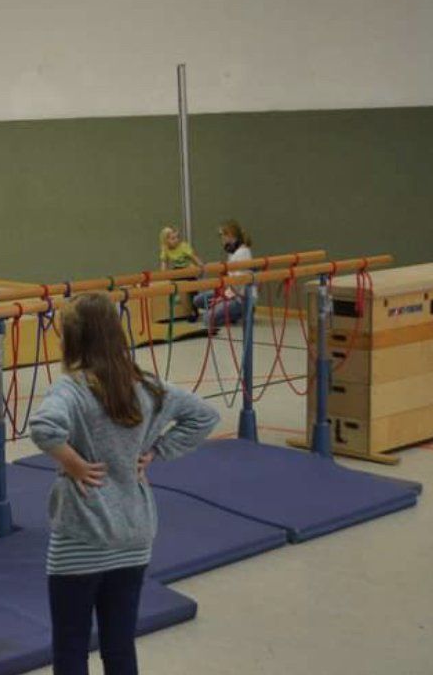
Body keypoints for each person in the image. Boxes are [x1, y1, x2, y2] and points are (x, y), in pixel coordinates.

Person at [29, 293, 218, 675]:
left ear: (74, 340)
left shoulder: (72, 389)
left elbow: (43, 427)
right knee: (119, 646)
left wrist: (75, 465)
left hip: (82, 535)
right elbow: (204, 416)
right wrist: (156, 451)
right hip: (133, 534)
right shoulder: (147, 386)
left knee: (70, 647)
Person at [191, 219, 254, 330]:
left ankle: (240, 313)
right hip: (230, 292)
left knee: (207, 319)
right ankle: (226, 312)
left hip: (239, 299)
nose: (221, 239)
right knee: (198, 300)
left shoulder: (242, 254)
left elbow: (239, 285)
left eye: (222, 235)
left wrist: (222, 298)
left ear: (231, 235)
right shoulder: (233, 252)